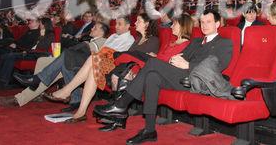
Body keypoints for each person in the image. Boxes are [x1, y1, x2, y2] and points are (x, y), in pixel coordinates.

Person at [94, 9, 233, 144]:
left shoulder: (224, 43)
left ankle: (121, 104)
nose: (204, 25)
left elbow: (217, 66)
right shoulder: (196, 41)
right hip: (181, 77)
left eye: (208, 22)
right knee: (152, 76)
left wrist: (188, 65)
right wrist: (176, 60)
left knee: (153, 63)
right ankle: (149, 130)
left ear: (217, 24)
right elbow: (181, 57)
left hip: (198, 82)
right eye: (202, 22)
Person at [38, 16, 136, 122]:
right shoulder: (112, 36)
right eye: (116, 24)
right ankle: (81, 112)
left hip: (113, 66)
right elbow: (103, 51)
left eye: (119, 24)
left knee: (92, 58)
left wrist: (103, 53)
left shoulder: (130, 39)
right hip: (101, 62)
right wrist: (102, 53)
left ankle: (66, 91)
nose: (116, 26)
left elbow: (118, 56)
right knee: (92, 68)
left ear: (127, 26)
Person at [0, 21, 109, 109]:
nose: (92, 28)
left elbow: (87, 51)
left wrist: (78, 43)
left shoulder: (104, 40)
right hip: (73, 62)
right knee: (42, 60)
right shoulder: (92, 39)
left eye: (95, 28)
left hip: (81, 68)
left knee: (53, 68)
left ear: (101, 31)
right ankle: (35, 88)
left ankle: (22, 96)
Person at [0, 17, 55, 85]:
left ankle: (3, 80)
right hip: (30, 52)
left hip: (36, 54)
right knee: (8, 55)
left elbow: (42, 47)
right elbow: (31, 45)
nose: (39, 26)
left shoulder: (50, 35)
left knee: (10, 56)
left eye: (40, 24)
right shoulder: (40, 33)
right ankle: (1, 79)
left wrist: (41, 37)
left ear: (44, 25)